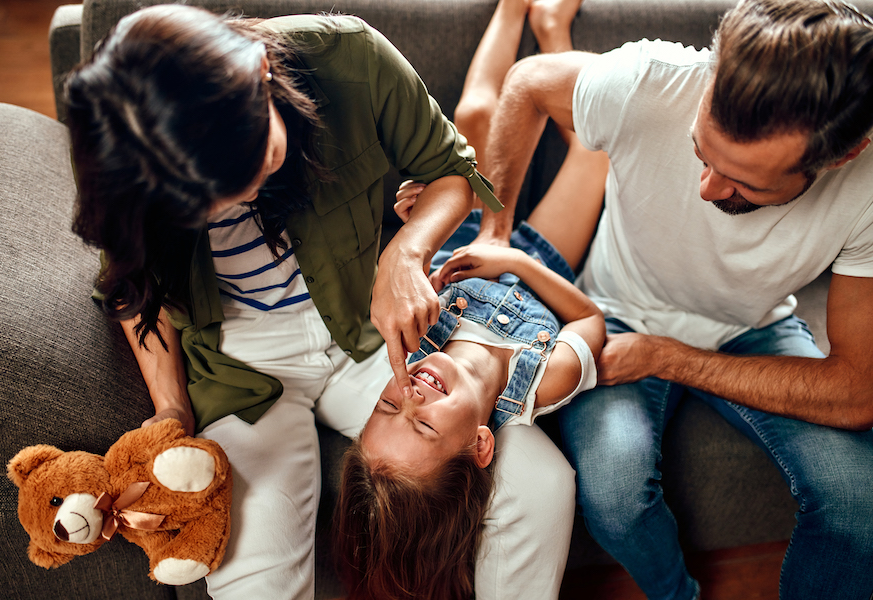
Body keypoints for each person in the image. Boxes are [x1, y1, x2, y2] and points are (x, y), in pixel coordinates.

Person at [64, 4, 498, 598]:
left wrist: (405, 252)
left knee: (534, 484)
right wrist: (171, 407)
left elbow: (455, 172)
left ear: (261, 72)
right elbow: (136, 289)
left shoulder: (351, 57)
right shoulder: (129, 156)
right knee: (255, 573)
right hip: (241, 364)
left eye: (251, 162)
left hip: (363, 326)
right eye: (204, 201)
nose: (237, 196)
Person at [478, 0, 873, 598]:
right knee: (611, 498)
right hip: (614, 310)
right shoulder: (653, 80)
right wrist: (493, 233)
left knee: (861, 505)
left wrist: (669, 358)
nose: (707, 187)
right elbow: (528, 82)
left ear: (842, 156)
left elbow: (856, 391)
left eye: (744, 183)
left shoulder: (866, 187)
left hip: (754, 328)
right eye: (700, 150)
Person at [332, 1, 608, 598]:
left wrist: (419, 225)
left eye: (386, 406)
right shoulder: (543, 381)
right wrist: (515, 260)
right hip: (539, 259)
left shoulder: (414, 342)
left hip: (466, 235)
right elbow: (589, 318)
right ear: (481, 445)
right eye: (424, 425)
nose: (411, 393)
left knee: (478, 113)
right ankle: (555, 30)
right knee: (594, 156)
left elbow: (419, 271)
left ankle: (513, 9)